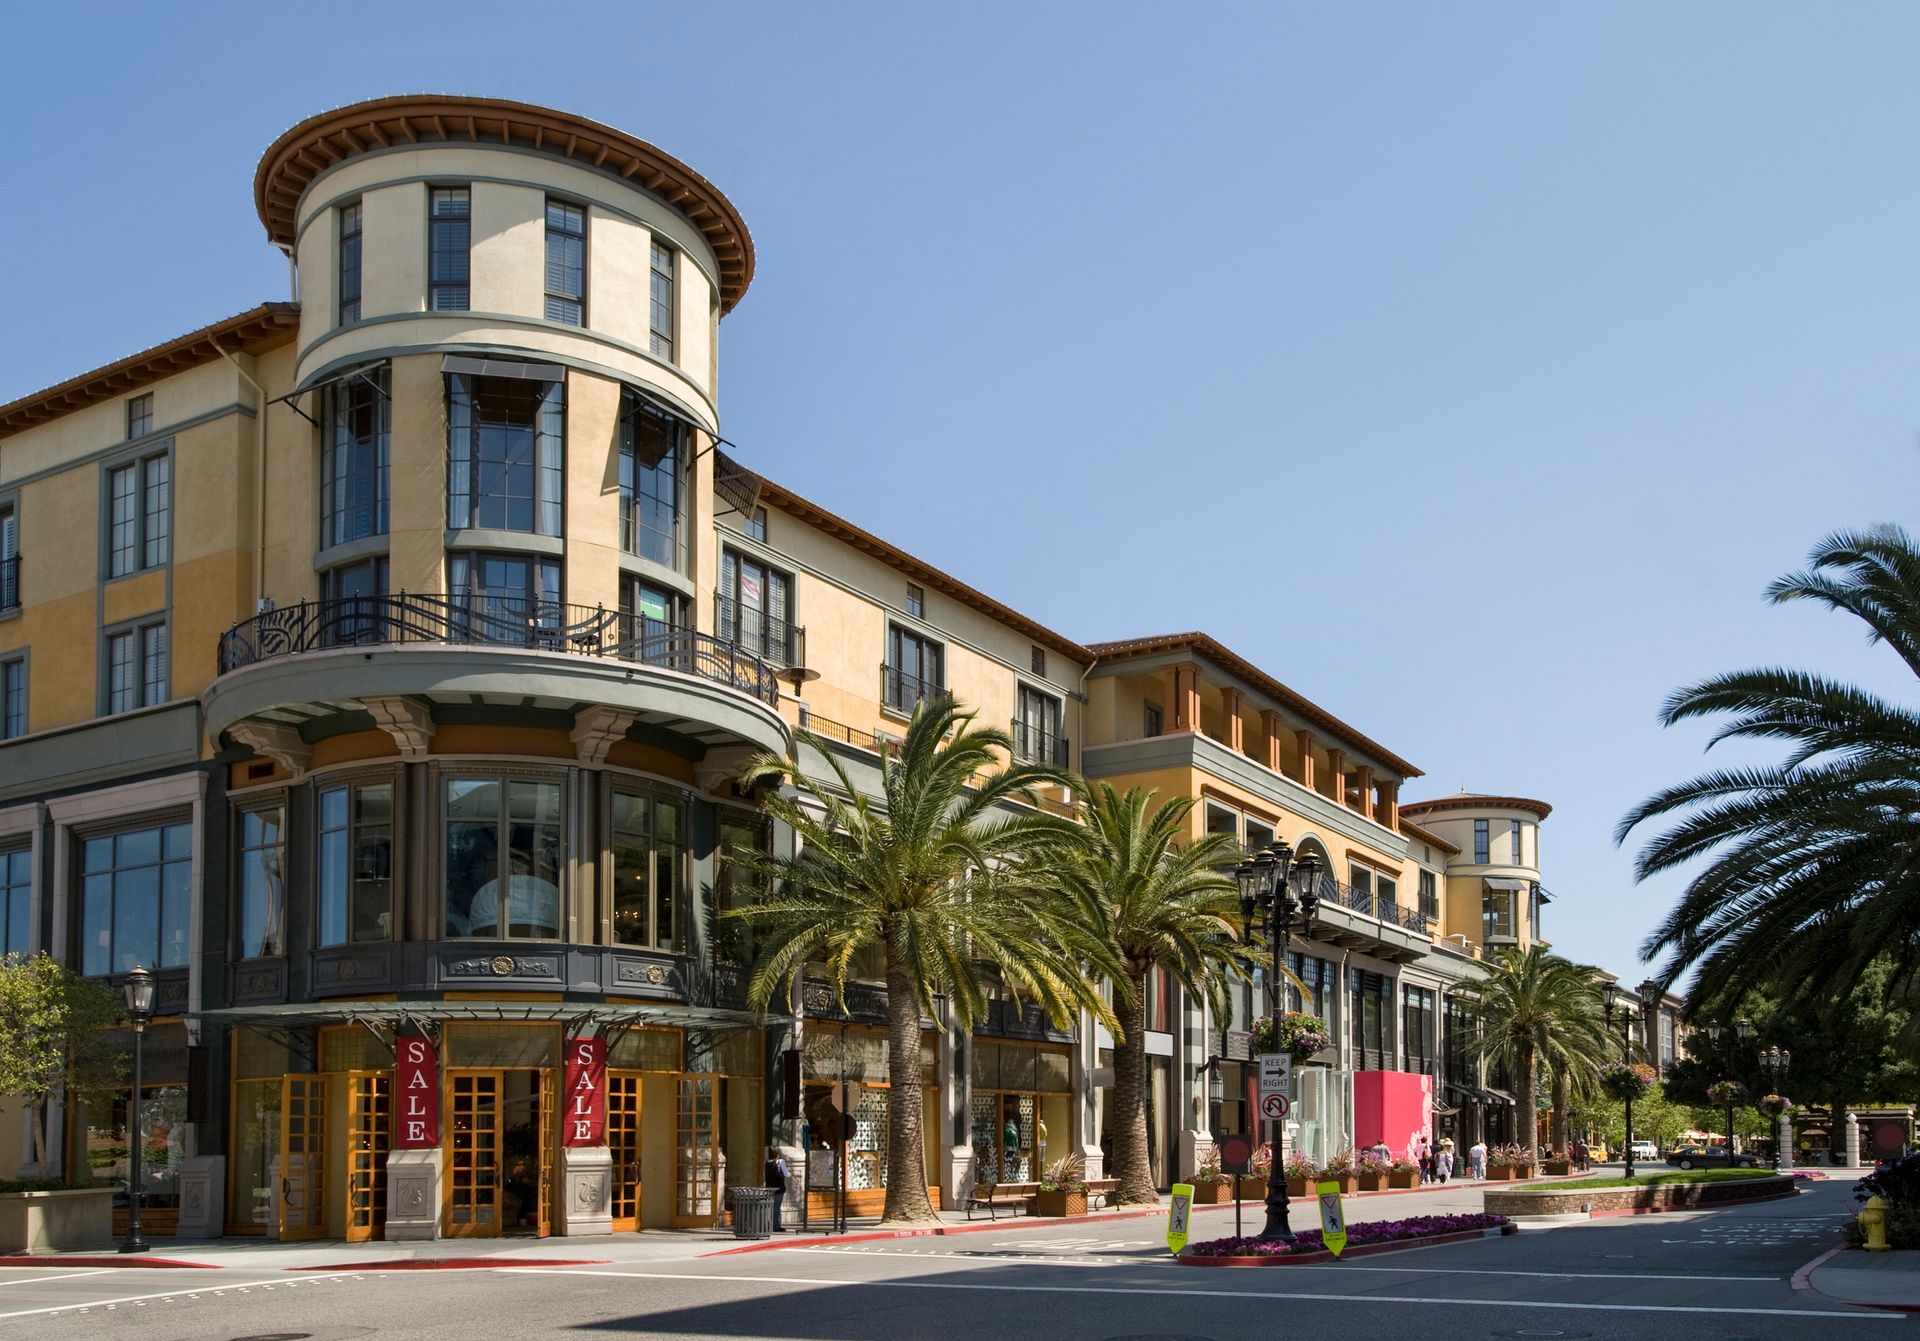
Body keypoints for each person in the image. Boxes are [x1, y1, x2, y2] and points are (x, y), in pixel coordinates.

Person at [764, 1145, 790, 1233]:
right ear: (777, 1153)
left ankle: (769, 1225)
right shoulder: (780, 1161)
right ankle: (776, 1226)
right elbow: (786, 1174)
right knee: (777, 1207)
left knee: (770, 1207)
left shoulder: (767, 1162)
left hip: (769, 1188)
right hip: (779, 1187)